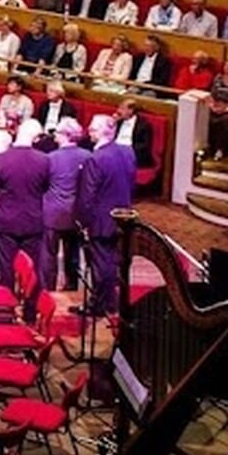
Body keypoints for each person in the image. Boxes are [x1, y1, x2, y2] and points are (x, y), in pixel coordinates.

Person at [78, 115, 137, 317]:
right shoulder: (127, 152)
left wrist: (84, 222)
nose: (89, 131)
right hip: (123, 216)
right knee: (112, 261)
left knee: (101, 264)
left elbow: (87, 195)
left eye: (93, 129)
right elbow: (131, 183)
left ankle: (99, 305)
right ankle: (110, 302)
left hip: (101, 220)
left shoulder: (95, 159)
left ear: (103, 132)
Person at [0, 118, 50, 301]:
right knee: (33, 267)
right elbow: (45, 186)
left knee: (6, 265)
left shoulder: (0, 159)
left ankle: (7, 305)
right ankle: (30, 308)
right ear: (36, 138)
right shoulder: (44, 160)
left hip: (6, 218)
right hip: (32, 218)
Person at [41, 118, 91, 293]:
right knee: (73, 253)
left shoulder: (50, 158)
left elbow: (43, 184)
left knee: (48, 254)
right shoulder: (87, 157)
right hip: (76, 212)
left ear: (66, 135)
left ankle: (48, 288)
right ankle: (71, 286)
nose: (54, 136)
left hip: (52, 212)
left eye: (58, 133)